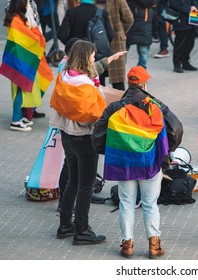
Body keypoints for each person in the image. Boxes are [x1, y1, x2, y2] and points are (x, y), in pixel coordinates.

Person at [92, 66, 169, 258]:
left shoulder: (115, 108)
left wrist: (109, 151)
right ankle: (154, 245)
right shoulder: (153, 107)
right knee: (150, 204)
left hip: (123, 164)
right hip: (149, 164)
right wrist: (163, 160)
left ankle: (127, 245)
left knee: (126, 202)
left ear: (129, 82)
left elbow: (98, 135)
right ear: (144, 83)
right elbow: (164, 137)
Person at [49, 40, 107, 245]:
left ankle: (65, 224)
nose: (94, 58)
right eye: (92, 55)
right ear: (85, 58)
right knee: (85, 186)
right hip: (84, 138)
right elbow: (93, 114)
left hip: (66, 135)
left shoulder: (64, 76)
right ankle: (82, 230)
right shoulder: (84, 84)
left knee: (73, 180)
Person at [0, 0, 53, 132]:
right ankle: (16, 120)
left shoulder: (15, 18)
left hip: (19, 59)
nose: (28, 6)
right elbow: (29, 38)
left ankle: (21, 117)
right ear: (20, 5)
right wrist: (39, 37)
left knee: (23, 87)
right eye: (26, 4)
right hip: (20, 59)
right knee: (21, 87)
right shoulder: (16, 20)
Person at [58, 0, 114, 85]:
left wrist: (73, 46)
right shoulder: (102, 13)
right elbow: (110, 35)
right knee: (99, 85)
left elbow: (61, 34)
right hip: (95, 56)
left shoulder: (71, 12)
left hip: (75, 58)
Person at [105, 0, 134, 90]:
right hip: (99, 43)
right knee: (98, 77)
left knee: (117, 78)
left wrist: (120, 32)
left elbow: (129, 18)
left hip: (115, 41)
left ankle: (120, 102)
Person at [169, 0, 198, 73]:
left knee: (190, 42)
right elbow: (173, 3)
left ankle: (185, 62)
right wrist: (189, 8)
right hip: (180, 19)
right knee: (180, 43)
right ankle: (177, 64)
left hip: (192, 17)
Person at [126, 0, 154, 69]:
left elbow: (148, 3)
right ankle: (120, 74)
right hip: (128, 23)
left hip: (143, 24)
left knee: (143, 51)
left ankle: (140, 74)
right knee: (122, 53)